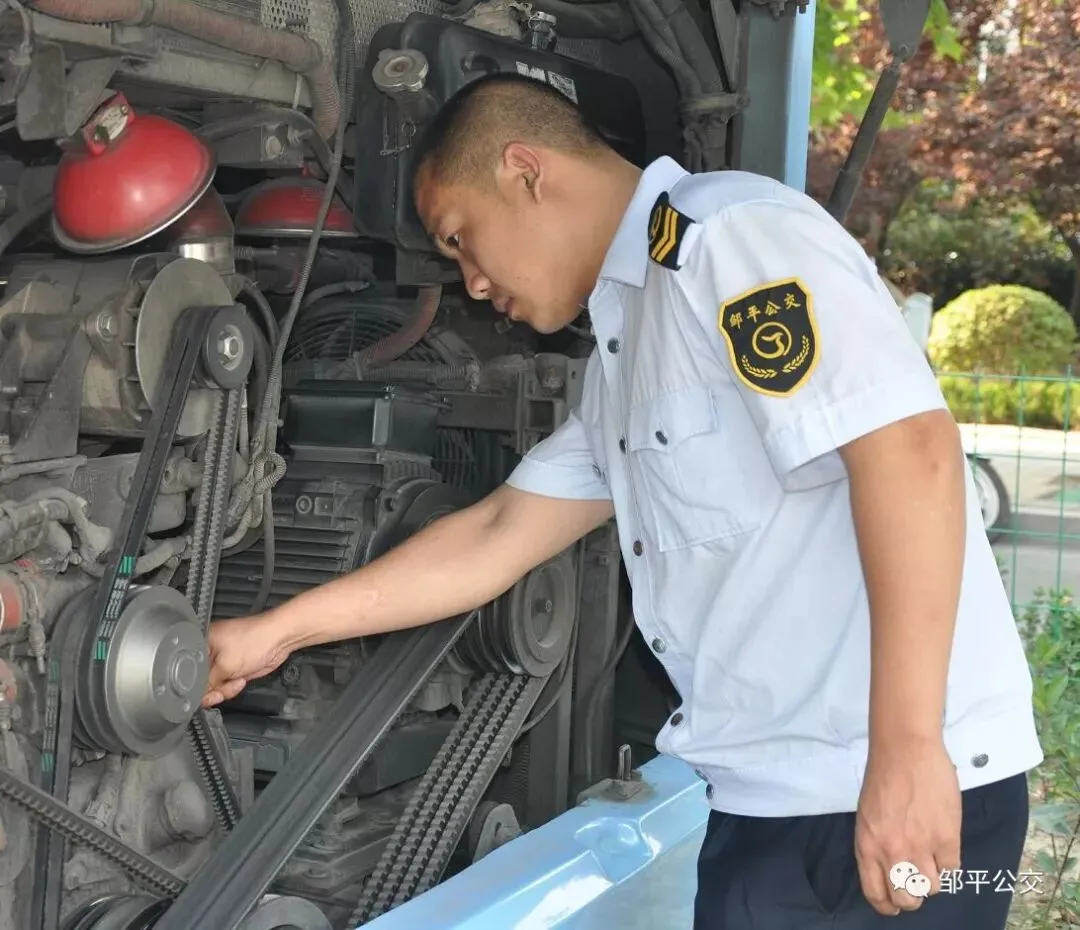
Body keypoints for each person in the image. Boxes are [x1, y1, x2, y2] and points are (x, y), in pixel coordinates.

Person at [202, 73, 1041, 929]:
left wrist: (906, 753)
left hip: (876, 792)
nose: (470, 282)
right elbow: (500, 530)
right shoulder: (628, 346)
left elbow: (907, 452)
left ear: (526, 172)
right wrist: (277, 632)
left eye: (461, 238)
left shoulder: (728, 239)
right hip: (769, 805)